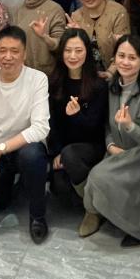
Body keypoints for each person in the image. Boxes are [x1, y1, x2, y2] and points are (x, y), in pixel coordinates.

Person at [0, 26, 51, 243]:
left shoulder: (38, 79)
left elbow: (40, 128)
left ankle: (37, 216)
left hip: (24, 148)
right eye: (3, 50)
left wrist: (0, 149)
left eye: (15, 51)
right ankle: (8, 184)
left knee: (32, 155)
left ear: (24, 54)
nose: (8, 57)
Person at [84, 35, 140, 246]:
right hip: (117, 152)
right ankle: (98, 213)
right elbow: (106, 125)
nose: (125, 62)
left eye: (132, 57)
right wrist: (110, 145)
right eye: (121, 56)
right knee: (97, 177)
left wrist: (130, 126)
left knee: (98, 176)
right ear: (114, 58)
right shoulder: (111, 88)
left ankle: (137, 227)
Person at [47, 29, 108, 206]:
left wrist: (77, 115)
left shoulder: (98, 85)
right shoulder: (54, 82)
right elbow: (52, 124)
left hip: (91, 147)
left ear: (87, 52)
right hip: (65, 148)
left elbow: (96, 129)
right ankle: (89, 193)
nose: (73, 56)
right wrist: (57, 152)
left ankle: (95, 204)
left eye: (78, 50)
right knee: (59, 187)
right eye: (68, 50)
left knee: (70, 156)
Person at [68, 0, 130, 74]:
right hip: (86, 72)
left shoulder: (118, 12)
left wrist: (110, 72)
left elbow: (125, 48)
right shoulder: (76, 16)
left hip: (116, 71)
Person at [12, 0, 66, 75]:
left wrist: (44, 36)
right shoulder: (19, 10)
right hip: (22, 73)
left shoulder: (55, 9)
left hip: (48, 74)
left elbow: (60, 45)